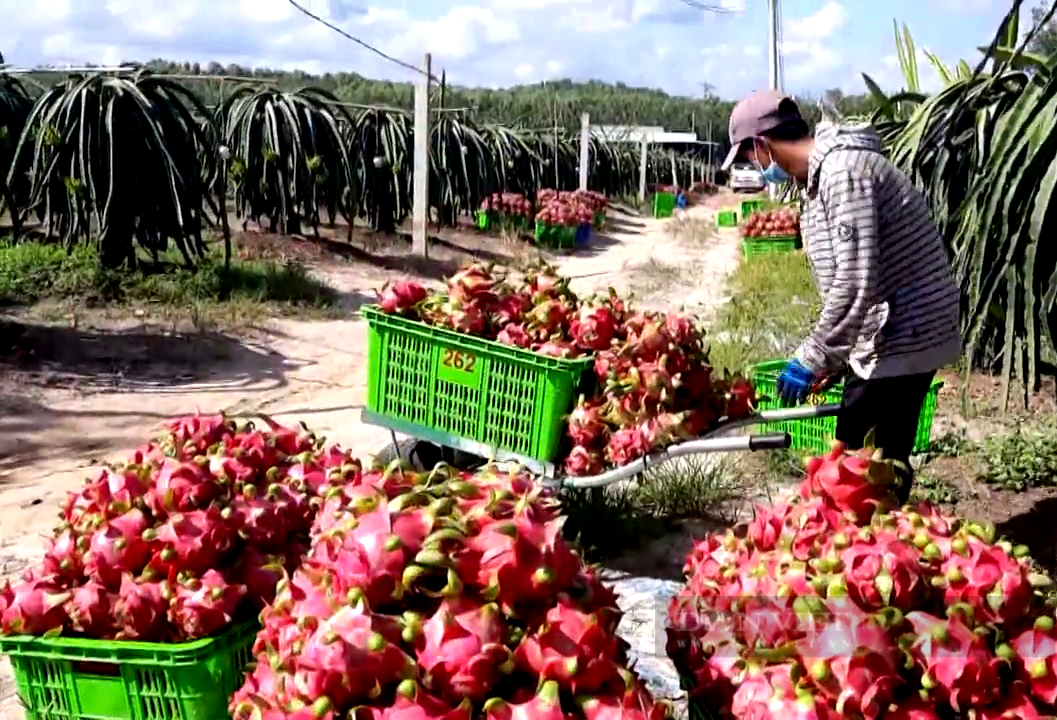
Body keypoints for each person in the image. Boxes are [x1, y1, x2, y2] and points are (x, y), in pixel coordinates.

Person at [720, 89, 961, 504]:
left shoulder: (843, 174)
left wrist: (813, 356)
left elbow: (854, 281)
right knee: (855, 452)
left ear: (761, 145)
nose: (752, 168)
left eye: (747, 158)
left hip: (907, 329)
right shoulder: (816, 182)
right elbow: (848, 280)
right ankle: (867, 530)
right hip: (886, 328)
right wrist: (838, 355)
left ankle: (875, 539)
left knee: (865, 461)